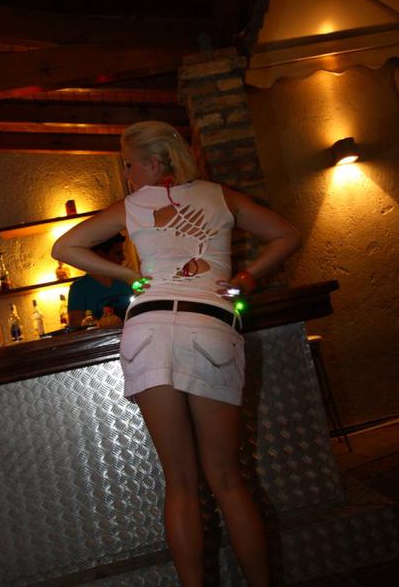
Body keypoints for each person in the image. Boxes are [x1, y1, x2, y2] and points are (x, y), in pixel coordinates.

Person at [52, 120, 301, 587]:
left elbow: (64, 246)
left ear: (153, 163)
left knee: (180, 483)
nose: (127, 175)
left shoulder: (131, 206)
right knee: (227, 480)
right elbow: (287, 234)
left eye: (129, 165)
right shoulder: (219, 196)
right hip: (208, 324)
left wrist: (130, 277)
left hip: (146, 329)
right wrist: (245, 280)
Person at [67, 234, 133, 326]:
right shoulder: (79, 289)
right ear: (101, 255)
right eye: (117, 253)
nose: (123, 257)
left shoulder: (126, 280)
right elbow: (77, 328)